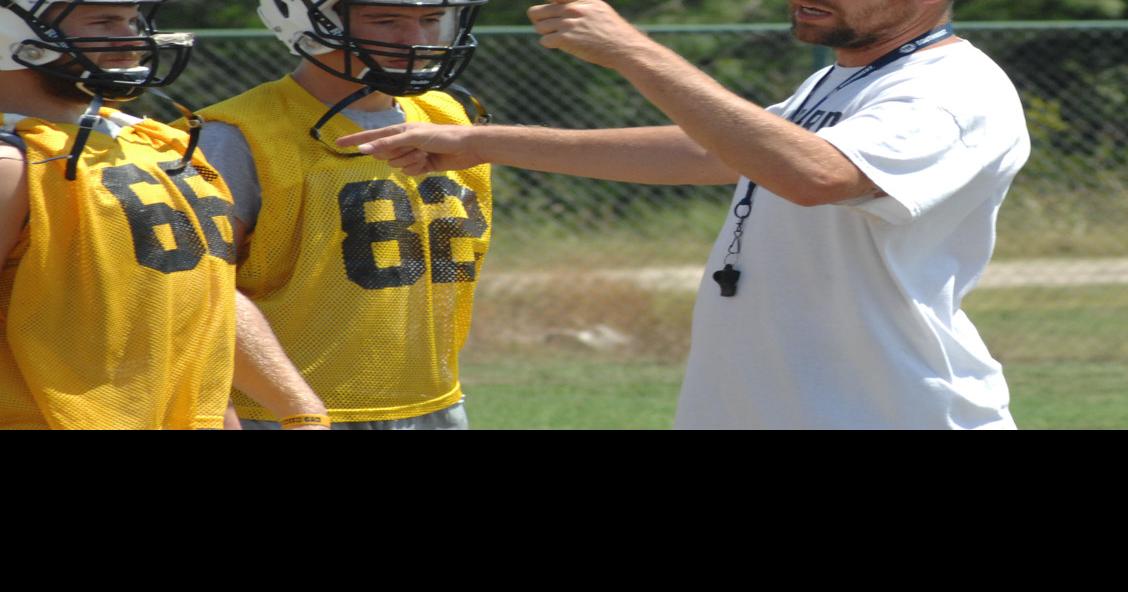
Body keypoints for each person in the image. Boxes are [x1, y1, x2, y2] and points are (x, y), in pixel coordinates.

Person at [338, 0, 1031, 429]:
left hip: (888, 412)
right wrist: (481, 143)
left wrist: (633, 51)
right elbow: (715, 150)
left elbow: (816, 174)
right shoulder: (846, 76)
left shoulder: (950, 88)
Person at [0, 0, 327, 429]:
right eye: (104, 21)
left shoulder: (154, 141)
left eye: (132, 21)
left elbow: (204, 287)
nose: (133, 38)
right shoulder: (14, 160)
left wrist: (296, 408)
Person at [191, 0, 492, 430]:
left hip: (434, 403)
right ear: (309, 20)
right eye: (386, 20)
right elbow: (196, 292)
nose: (416, 40)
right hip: (281, 413)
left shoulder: (450, 118)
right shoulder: (239, 134)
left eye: (431, 20)